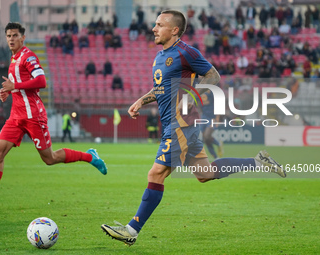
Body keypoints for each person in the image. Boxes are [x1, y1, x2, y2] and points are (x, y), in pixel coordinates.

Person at [101, 10, 286, 246]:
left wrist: (192, 94)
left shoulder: (186, 52)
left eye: (159, 25)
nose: (154, 28)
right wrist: (141, 100)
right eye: (155, 24)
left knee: (156, 173)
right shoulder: (160, 57)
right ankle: (258, 161)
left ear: (174, 30)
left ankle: (131, 230)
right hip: (174, 123)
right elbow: (160, 89)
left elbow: (213, 75)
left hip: (181, 123)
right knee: (204, 174)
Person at [0, 22, 107, 212]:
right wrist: (9, 91)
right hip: (16, 116)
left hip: (33, 116)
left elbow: (41, 81)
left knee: (49, 158)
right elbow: (19, 85)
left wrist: (15, 86)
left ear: (22, 38)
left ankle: (90, 156)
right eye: (8, 36)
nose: (11, 39)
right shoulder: (14, 59)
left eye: (15, 35)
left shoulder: (28, 56)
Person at [200, 90, 223, 159]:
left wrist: (217, 119)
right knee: (206, 140)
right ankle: (216, 157)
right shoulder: (200, 90)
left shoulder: (212, 92)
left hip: (212, 117)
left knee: (207, 136)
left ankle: (218, 143)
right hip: (204, 116)